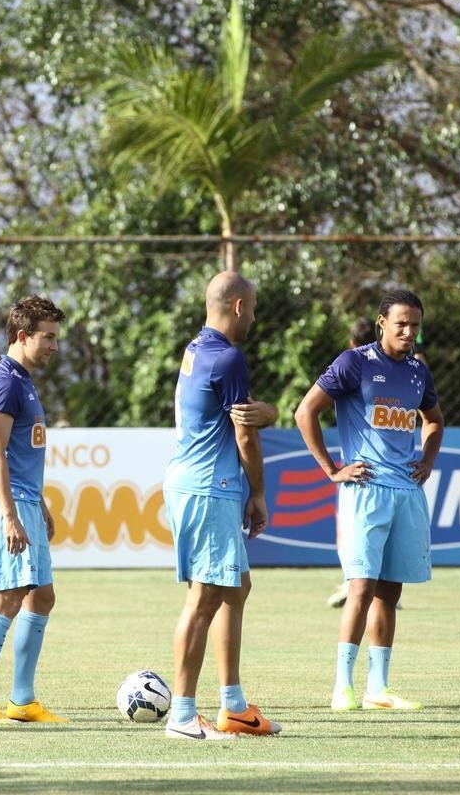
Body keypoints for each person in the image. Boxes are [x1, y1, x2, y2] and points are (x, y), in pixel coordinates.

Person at [293, 289, 444, 712]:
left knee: (389, 593)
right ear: (382, 323)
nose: (409, 331)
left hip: (406, 492)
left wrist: (427, 459)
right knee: (359, 588)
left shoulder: (418, 371)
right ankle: (342, 686)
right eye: (401, 323)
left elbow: (434, 420)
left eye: (415, 324)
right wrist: (331, 468)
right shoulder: (355, 363)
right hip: (365, 492)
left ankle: (379, 688)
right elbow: (306, 412)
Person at [163, 271, 282, 741]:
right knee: (205, 597)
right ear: (237, 307)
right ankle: (183, 716)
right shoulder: (229, 357)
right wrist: (258, 493)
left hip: (195, 481)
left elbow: (250, 412)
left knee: (236, 587)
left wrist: (267, 411)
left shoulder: (198, 349)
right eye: (251, 308)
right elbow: (245, 432)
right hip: (211, 485)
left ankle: (233, 706)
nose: (253, 316)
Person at [0, 295, 68, 724]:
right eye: (48, 337)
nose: (54, 346)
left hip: (25, 500)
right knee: (6, 596)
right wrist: (9, 514)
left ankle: (22, 699)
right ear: (22, 336)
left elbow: (22, 451)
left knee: (42, 595)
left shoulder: (23, 379)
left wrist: (39, 502)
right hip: (7, 504)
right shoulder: (4, 382)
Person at [326, 317, 377, 608]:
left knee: (346, 529)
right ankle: (377, 588)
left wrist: (333, 471)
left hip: (355, 468)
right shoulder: (398, 369)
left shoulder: (351, 367)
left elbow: (308, 409)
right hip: (391, 468)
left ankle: (351, 582)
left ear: (352, 344)